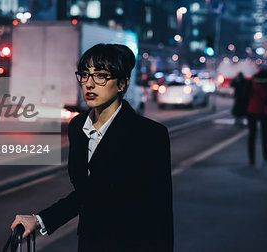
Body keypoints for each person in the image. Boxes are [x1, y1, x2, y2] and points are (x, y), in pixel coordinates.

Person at [10, 44, 174, 251]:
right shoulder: (78, 127)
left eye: (101, 76)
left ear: (122, 83)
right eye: (85, 75)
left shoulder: (149, 135)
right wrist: (39, 220)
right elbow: (87, 193)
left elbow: (161, 214)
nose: (89, 84)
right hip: (89, 243)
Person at [246, 68, 267, 165]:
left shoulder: (252, 83)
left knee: (252, 135)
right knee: (265, 135)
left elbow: (246, 95)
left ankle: (252, 159)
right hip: (264, 111)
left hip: (252, 110)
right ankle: (266, 154)